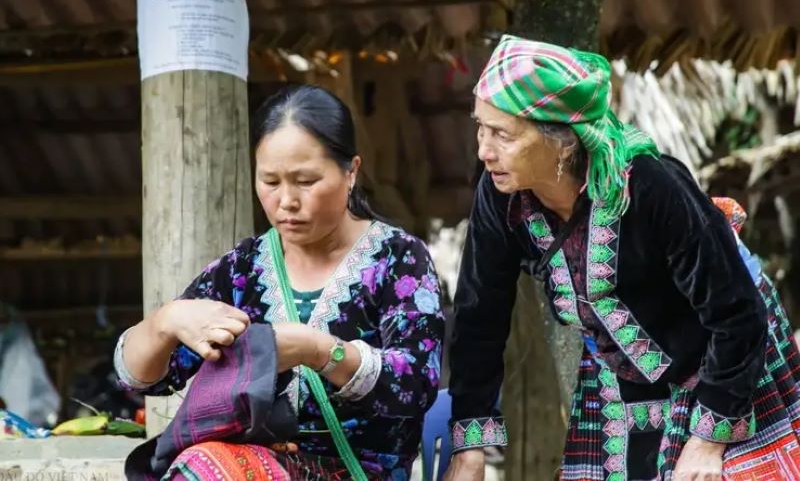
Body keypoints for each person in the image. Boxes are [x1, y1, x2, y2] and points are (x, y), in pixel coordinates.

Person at [444, 35, 800, 480]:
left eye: (502, 134)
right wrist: (471, 447)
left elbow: (737, 314)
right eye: (480, 127)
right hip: (621, 375)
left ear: (563, 141)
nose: (484, 150)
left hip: (725, 356)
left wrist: (709, 441)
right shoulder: (501, 196)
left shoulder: (651, 186)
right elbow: (481, 315)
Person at [115, 85, 445, 481]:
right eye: (270, 181)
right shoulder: (243, 270)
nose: (286, 200)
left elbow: (415, 383)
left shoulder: (398, 259)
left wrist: (319, 350)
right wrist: (166, 322)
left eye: (305, 181)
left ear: (351, 171)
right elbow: (141, 378)